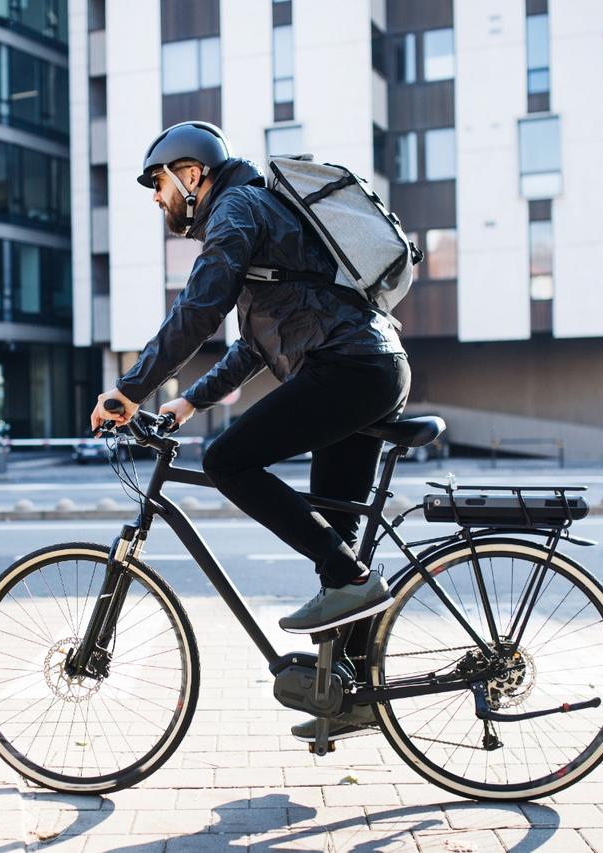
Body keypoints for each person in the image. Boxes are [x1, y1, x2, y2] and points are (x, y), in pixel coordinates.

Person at [89, 121, 411, 741]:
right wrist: (185, 403)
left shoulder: (235, 209)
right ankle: (351, 695)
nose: (157, 198)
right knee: (336, 536)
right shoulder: (257, 212)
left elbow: (199, 307)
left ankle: (352, 583)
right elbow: (254, 344)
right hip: (369, 367)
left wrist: (129, 389)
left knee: (227, 461)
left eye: (158, 183)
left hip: (349, 369)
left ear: (191, 174)